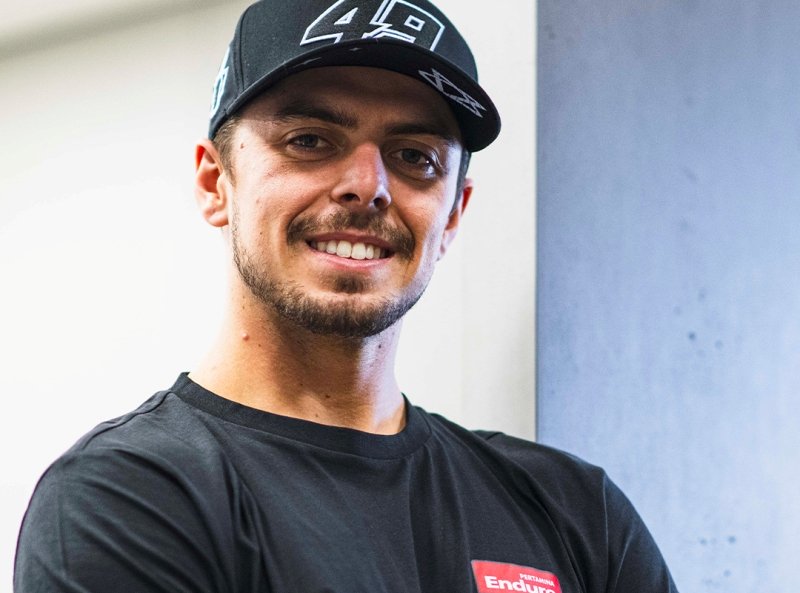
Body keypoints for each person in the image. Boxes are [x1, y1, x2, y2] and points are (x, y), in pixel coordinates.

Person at [14, 1, 678, 591]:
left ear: (452, 215)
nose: (368, 185)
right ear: (216, 184)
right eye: (309, 141)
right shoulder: (129, 497)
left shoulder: (575, 510)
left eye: (414, 156)